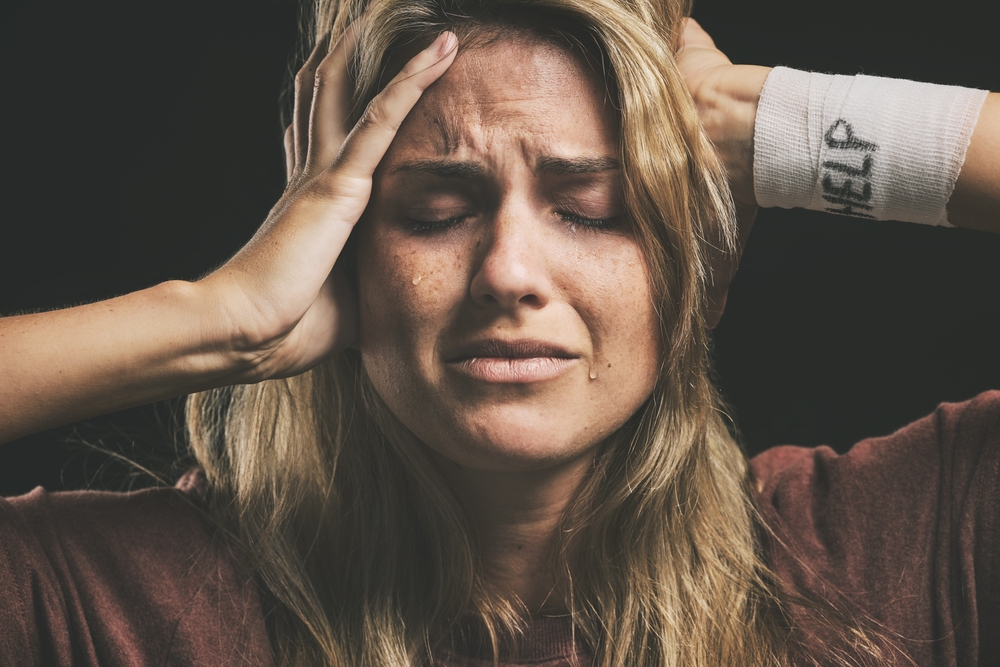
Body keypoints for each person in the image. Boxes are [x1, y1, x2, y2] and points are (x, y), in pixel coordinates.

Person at [1, 0, 997, 666]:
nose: (509, 273)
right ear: (341, 254)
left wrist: (785, 125)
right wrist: (220, 322)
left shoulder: (878, 554)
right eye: (435, 212)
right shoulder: (120, 605)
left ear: (696, 269)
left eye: (592, 208)